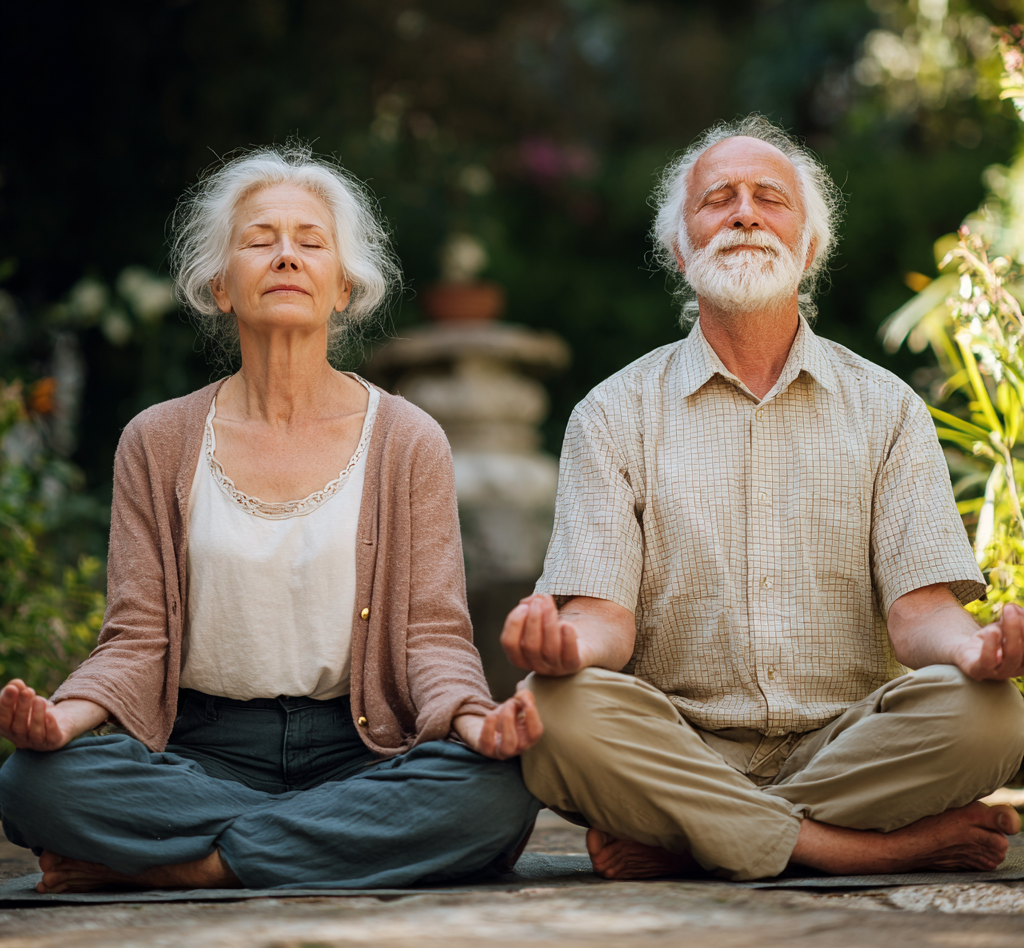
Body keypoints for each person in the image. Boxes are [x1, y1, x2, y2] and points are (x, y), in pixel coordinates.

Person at [0, 144, 541, 893]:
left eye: (310, 242)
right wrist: (62, 721)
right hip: (202, 755)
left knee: (500, 790)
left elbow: (431, 637)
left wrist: (476, 722)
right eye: (260, 240)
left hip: (362, 748)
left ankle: (192, 867)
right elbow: (136, 639)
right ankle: (329, 847)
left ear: (344, 287)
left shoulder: (408, 439)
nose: (286, 256)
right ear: (221, 286)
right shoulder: (156, 441)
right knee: (32, 783)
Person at [500, 114, 1024, 883]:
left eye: (769, 197)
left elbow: (920, 613)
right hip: (677, 741)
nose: (744, 211)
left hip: (847, 746)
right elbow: (603, 618)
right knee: (553, 713)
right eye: (719, 198)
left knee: (993, 715)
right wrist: (564, 647)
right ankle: (858, 850)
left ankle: (689, 837)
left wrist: (974, 649)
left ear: (809, 247)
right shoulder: (611, 414)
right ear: (681, 249)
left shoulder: (887, 409)